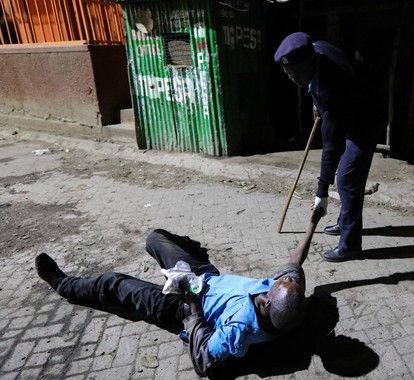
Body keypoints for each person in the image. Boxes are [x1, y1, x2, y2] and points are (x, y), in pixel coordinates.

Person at [35, 208, 324, 377]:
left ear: (270, 301)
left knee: (114, 283)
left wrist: (192, 304)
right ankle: (192, 247)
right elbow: (295, 263)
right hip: (206, 277)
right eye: (284, 281)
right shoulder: (286, 298)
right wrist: (313, 222)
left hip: (180, 307)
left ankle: (63, 284)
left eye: (277, 284)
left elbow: (203, 362)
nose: (277, 279)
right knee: (155, 238)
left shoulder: (238, 330)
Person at [274, 32, 386, 262]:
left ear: (309, 63)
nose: (292, 78)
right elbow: (313, 85)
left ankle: (350, 244)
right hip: (350, 108)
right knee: (349, 179)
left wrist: (321, 194)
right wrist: (316, 102)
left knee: (347, 178)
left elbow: (331, 146)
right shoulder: (315, 49)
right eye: (287, 73)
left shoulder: (331, 86)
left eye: (295, 73)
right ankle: (346, 222)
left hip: (366, 119)